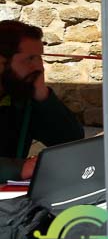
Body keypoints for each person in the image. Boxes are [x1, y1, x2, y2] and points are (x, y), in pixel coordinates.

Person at [0, 21, 85, 182]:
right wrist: (18, 168)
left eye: (40, 57)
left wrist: (43, 95)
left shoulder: (20, 97)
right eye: (30, 59)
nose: (39, 67)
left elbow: (70, 139)